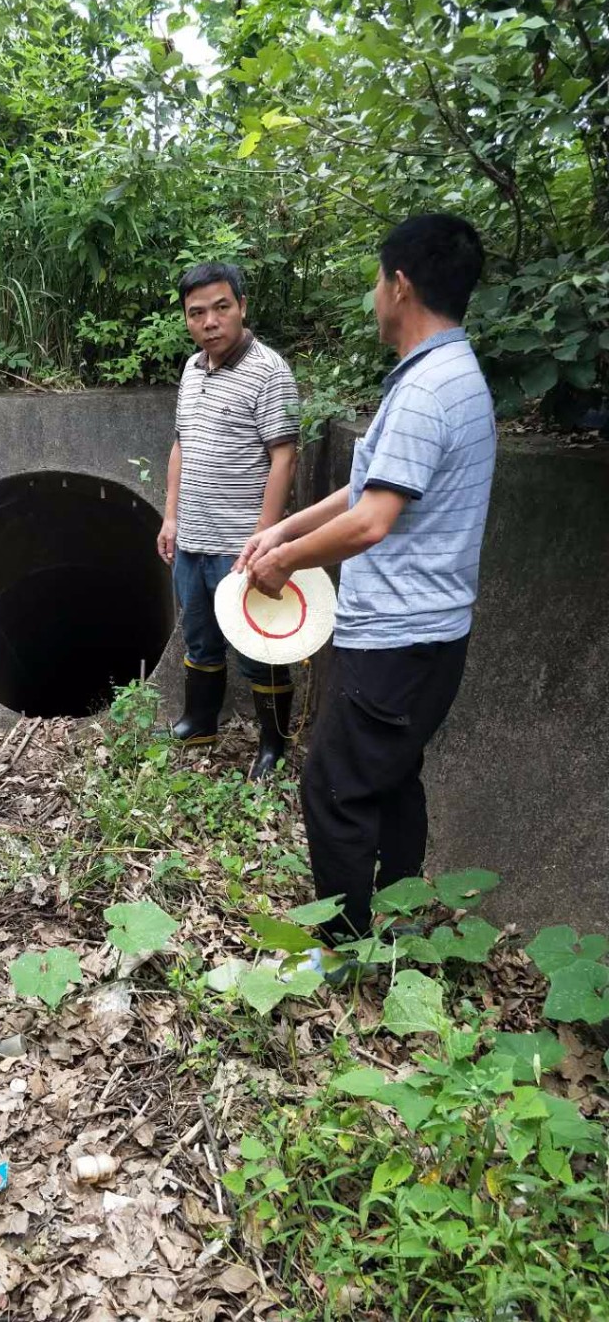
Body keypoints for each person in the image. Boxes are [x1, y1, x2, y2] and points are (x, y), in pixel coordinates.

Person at [235, 213, 495, 958]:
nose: (375, 295)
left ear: (401, 285)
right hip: (432, 634)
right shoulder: (451, 373)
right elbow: (367, 488)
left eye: (378, 280)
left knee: (335, 788)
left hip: (396, 639)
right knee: (392, 777)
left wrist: (286, 562)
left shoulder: (425, 391)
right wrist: (284, 530)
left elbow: (373, 520)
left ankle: (345, 948)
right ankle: (401, 920)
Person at [157, 261, 300, 778]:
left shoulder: (270, 372)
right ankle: (200, 723)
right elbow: (181, 444)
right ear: (187, 319)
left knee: (260, 648)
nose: (210, 321)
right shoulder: (192, 369)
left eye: (221, 307)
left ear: (242, 306)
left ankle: (273, 746)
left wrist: (264, 537)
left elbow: (284, 457)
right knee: (199, 638)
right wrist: (170, 516)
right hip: (192, 539)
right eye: (197, 313)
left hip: (240, 545)